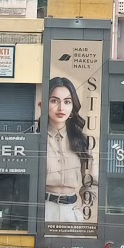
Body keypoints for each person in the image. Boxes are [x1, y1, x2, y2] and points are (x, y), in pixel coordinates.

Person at [45, 76, 94, 226]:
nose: (61, 108)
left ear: (73, 106)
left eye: (67, 102)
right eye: (54, 101)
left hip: (72, 212)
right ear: (44, 103)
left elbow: (92, 182)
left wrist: (82, 210)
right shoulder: (37, 138)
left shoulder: (83, 141)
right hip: (44, 210)